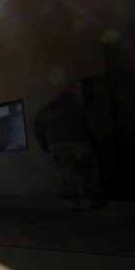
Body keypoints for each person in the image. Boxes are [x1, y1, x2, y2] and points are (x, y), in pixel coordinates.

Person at [33, 77, 106, 212]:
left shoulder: (46, 108)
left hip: (58, 145)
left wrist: (44, 144)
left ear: (56, 90)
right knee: (88, 171)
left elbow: (38, 129)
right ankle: (94, 200)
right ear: (71, 88)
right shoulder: (83, 104)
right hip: (82, 142)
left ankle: (73, 202)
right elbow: (95, 125)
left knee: (65, 173)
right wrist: (100, 141)